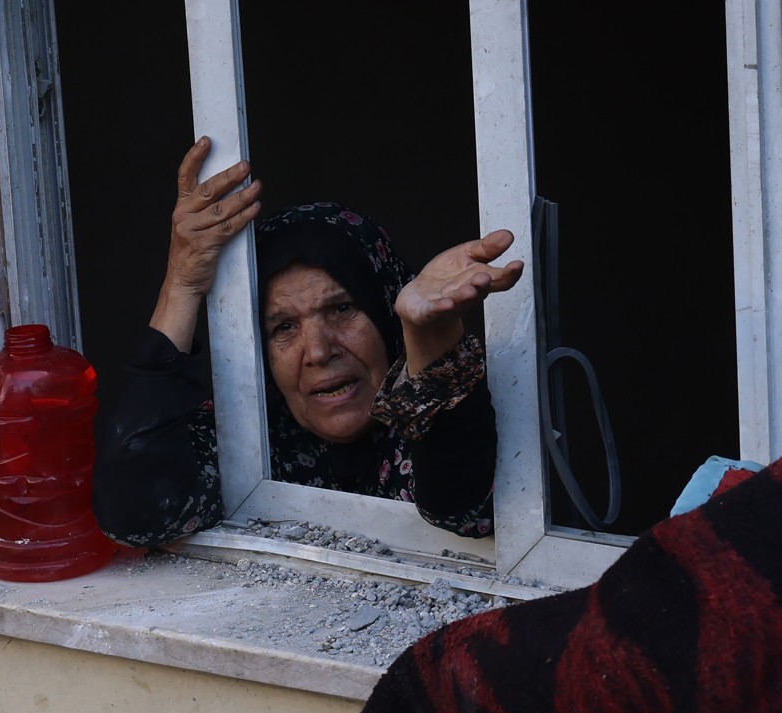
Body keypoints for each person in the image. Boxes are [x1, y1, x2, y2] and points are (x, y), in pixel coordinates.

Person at [92, 136, 524, 548]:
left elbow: (466, 507)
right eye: (283, 327)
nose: (319, 351)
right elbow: (135, 513)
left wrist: (429, 338)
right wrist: (182, 285)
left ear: (386, 311)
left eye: (341, 309)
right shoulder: (251, 445)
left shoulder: (456, 412)